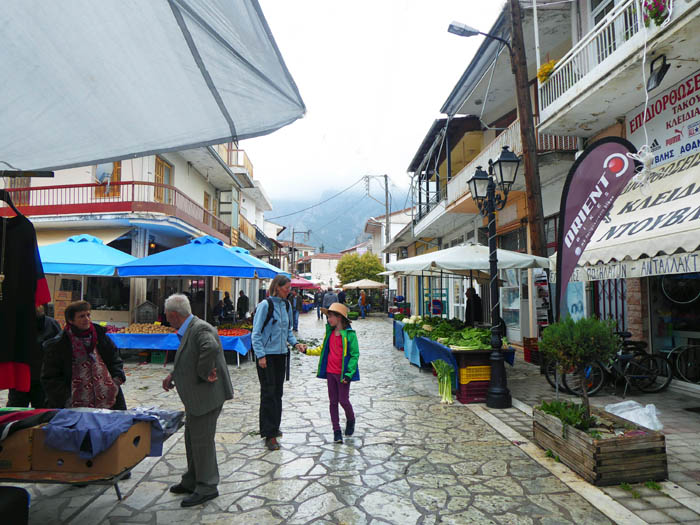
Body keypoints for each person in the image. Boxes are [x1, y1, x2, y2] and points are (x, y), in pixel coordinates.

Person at [162, 294, 233, 508]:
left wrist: (204, 373)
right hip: (197, 399)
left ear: (174, 315)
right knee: (192, 439)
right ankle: (192, 479)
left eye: (167, 316)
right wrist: (174, 375)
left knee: (202, 443)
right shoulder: (190, 328)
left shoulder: (200, 328)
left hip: (206, 397)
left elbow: (210, 348)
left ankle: (207, 486)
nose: (166, 319)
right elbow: (189, 356)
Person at [252, 275, 307, 451]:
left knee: (278, 393)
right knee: (268, 394)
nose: (289, 291)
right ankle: (269, 435)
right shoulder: (265, 306)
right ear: (277, 287)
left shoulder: (287, 305)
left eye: (290, 288)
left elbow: (288, 331)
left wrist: (296, 343)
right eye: (287, 288)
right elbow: (256, 333)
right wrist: (260, 355)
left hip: (281, 355)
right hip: (267, 356)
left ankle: (274, 427)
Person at [42, 301, 127, 410]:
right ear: (71, 320)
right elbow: (50, 377)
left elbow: (114, 359)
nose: (86, 319)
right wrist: (65, 399)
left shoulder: (100, 336)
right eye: (81, 316)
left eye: (88, 315)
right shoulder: (59, 345)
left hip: (108, 398)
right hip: (75, 403)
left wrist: (116, 382)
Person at [316, 303, 359, 444]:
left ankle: (351, 419)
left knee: (343, 400)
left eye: (330, 317)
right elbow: (322, 350)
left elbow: (354, 355)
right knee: (333, 402)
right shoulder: (329, 334)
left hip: (342, 374)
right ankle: (336, 431)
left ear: (339, 317)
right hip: (330, 373)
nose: (328, 320)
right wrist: (306, 351)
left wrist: (349, 373)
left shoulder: (350, 335)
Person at [7, 305, 61, 408]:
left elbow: (59, 352)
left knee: (42, 414)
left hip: (42, 380)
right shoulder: (14, 324)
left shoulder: (52, 324)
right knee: (16, 413)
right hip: (19, 379)